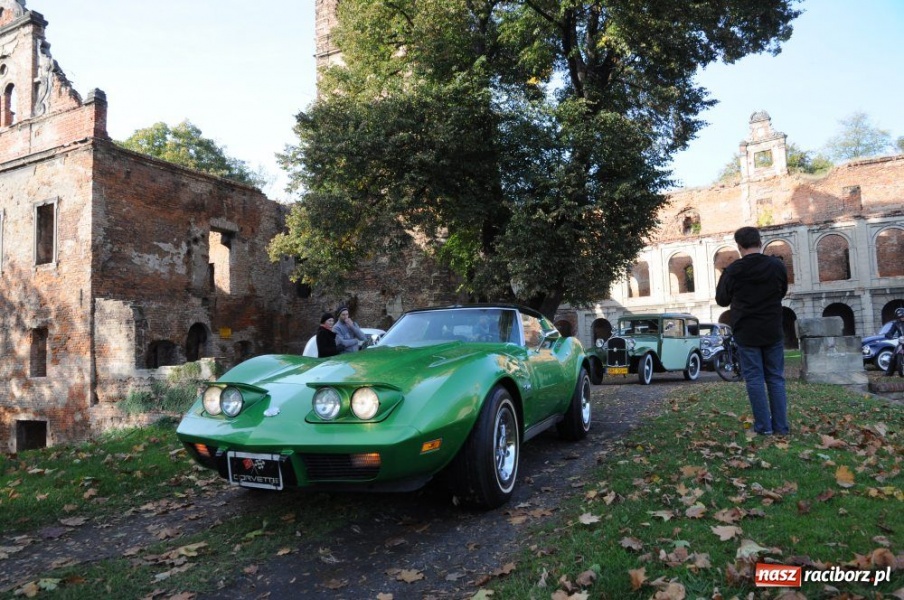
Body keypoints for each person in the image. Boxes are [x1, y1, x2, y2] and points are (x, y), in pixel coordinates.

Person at [716, 226, 790, 436]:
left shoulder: (734, 270)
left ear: (739, 246)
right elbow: (782, 291)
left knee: (755, 379)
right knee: (775, 377)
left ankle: (763, 428)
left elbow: (721, 300)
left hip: (746, 331)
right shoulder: (776, 266)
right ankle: (781, 428)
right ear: (760, 242)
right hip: (772, 329)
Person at [884, 307, 904, 376]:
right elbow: (891, 331)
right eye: (900, 316)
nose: (902, 317)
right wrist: (888, 335)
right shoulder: (896, 323)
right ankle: (889, 373)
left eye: (903, 316)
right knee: (893, 356)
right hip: (901, 341)